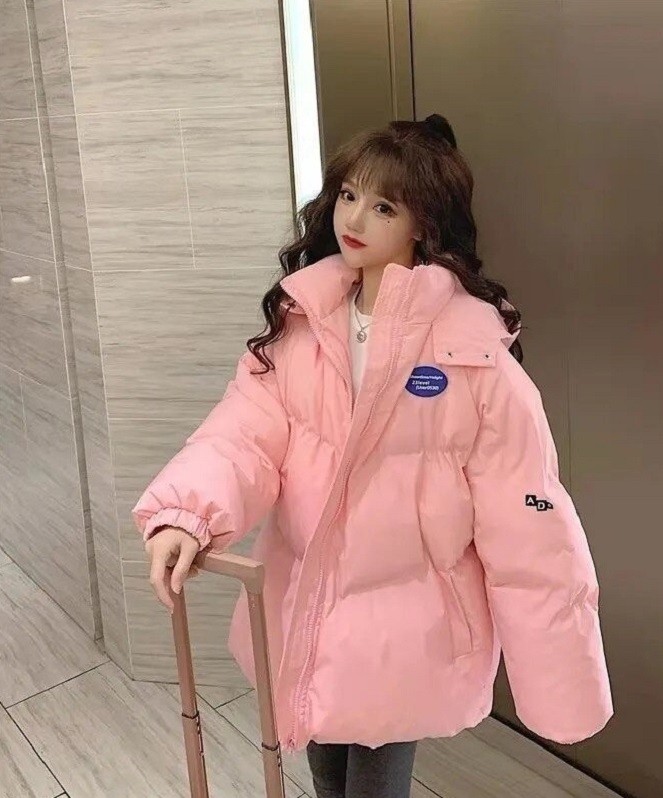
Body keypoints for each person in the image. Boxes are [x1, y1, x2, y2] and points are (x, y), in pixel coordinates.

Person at [132, 113, 613, 798]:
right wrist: (187, 512)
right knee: (326, 772)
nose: (354, 219)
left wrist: (561, 683)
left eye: (384, 206)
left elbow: (528, 522)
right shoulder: (303, 323)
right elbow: (242, 434)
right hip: (309, 606)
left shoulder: (473, 355)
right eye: (349, 195)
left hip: (408, 627)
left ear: (423, 223)